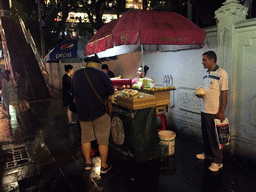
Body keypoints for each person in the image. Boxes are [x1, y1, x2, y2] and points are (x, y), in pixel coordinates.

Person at [72, 55, 114, 174]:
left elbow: (74, 91)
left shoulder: (76, 74)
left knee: (85, 139)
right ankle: (104, 166)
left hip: (83, 112)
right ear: (97, 64)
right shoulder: (101, 74)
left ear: (87, 63)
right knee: (102, 140)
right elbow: (111, 91)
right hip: (100, 112)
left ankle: (87, 163)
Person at [195, 51, 229, 172]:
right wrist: (200, 94)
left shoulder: (222, 73)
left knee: (215, 137)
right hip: (204, 109)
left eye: (204, 60)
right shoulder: (205, 73)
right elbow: (206, 90)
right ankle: (208, 154)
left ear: (212, 60)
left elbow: (224, 93)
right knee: (206, 135)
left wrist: (222, 111)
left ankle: (218, 161)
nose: (202, 62)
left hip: (214, 111)